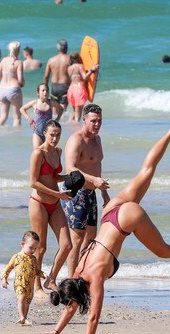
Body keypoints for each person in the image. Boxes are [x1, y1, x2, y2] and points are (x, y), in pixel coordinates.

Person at [35, 123, 170, 334]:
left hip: (126, 219)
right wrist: (56, 333)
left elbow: (94, 316)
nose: (73, 305)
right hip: (111, 213)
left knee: (163, 250)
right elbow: (72, 303)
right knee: (147, 169)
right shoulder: (77, 272)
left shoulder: (94, 276)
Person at [62, 104, 110, 278]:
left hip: (92, 193)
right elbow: (70, 168)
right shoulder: (77, 140)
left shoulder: (97, 139)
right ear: (84, 119)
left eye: (100, 121)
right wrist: (94, 180)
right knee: (76, 239)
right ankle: (71, 280)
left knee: (91, 239)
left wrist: (103, 191)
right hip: (77, 192)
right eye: (93, 121)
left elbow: (96, 165)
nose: (97, 124)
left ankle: (80, 276)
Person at [28, 120, 76, 295]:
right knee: (40, 247)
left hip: (55, 203)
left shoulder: (58, 151)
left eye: (58, 135)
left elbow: (54, 177)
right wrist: (58, 195)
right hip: (39, 203)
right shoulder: (38, 153)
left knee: (67, 245)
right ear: (45, 134)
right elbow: (34, 182)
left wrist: (71, 177)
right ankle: (37, 287)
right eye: (52, 134)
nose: (55, 138)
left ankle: (51, 279)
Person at [2, 231, 45, 325]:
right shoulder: (17, 257)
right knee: (21, 298)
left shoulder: (33, 259)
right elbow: (8, 268)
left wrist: (43, 275)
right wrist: (4, 279)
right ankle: (21, 317)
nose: (33, 250)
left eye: (35, 248)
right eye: (31, 247)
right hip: (19, 284)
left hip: (30, 286)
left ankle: (24, 318)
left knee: (27, 303)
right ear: (22, 244)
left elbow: (36, 271)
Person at [0, 41, 25, 127]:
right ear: (18, 50)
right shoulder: (19, 62)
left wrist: (5, 78)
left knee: (3, 117)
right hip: (13, 90)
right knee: (17, 117)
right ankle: (16, 138)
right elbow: (20, 79)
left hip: (2, 90)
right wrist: (22, 84)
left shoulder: (4, 60)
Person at [66, 52, 99, 122]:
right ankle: (76, 128)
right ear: (78, 58)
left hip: (71, 90)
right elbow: (84, 77)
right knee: (78, 114)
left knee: (74, 111)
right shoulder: (80, 66)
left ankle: (68, 125)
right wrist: (92, 70)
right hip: (79, 89)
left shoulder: (69, 68)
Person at [43, 39, 71, 116]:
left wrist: (44, 89)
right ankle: (62, 126)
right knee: (63, 110)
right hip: (65, 86)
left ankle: (55, 125)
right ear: (66, 48)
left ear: (58, 48)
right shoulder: (69, 59)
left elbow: (46, 76)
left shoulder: (51, 60)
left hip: (54, 87)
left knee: (55, 111)